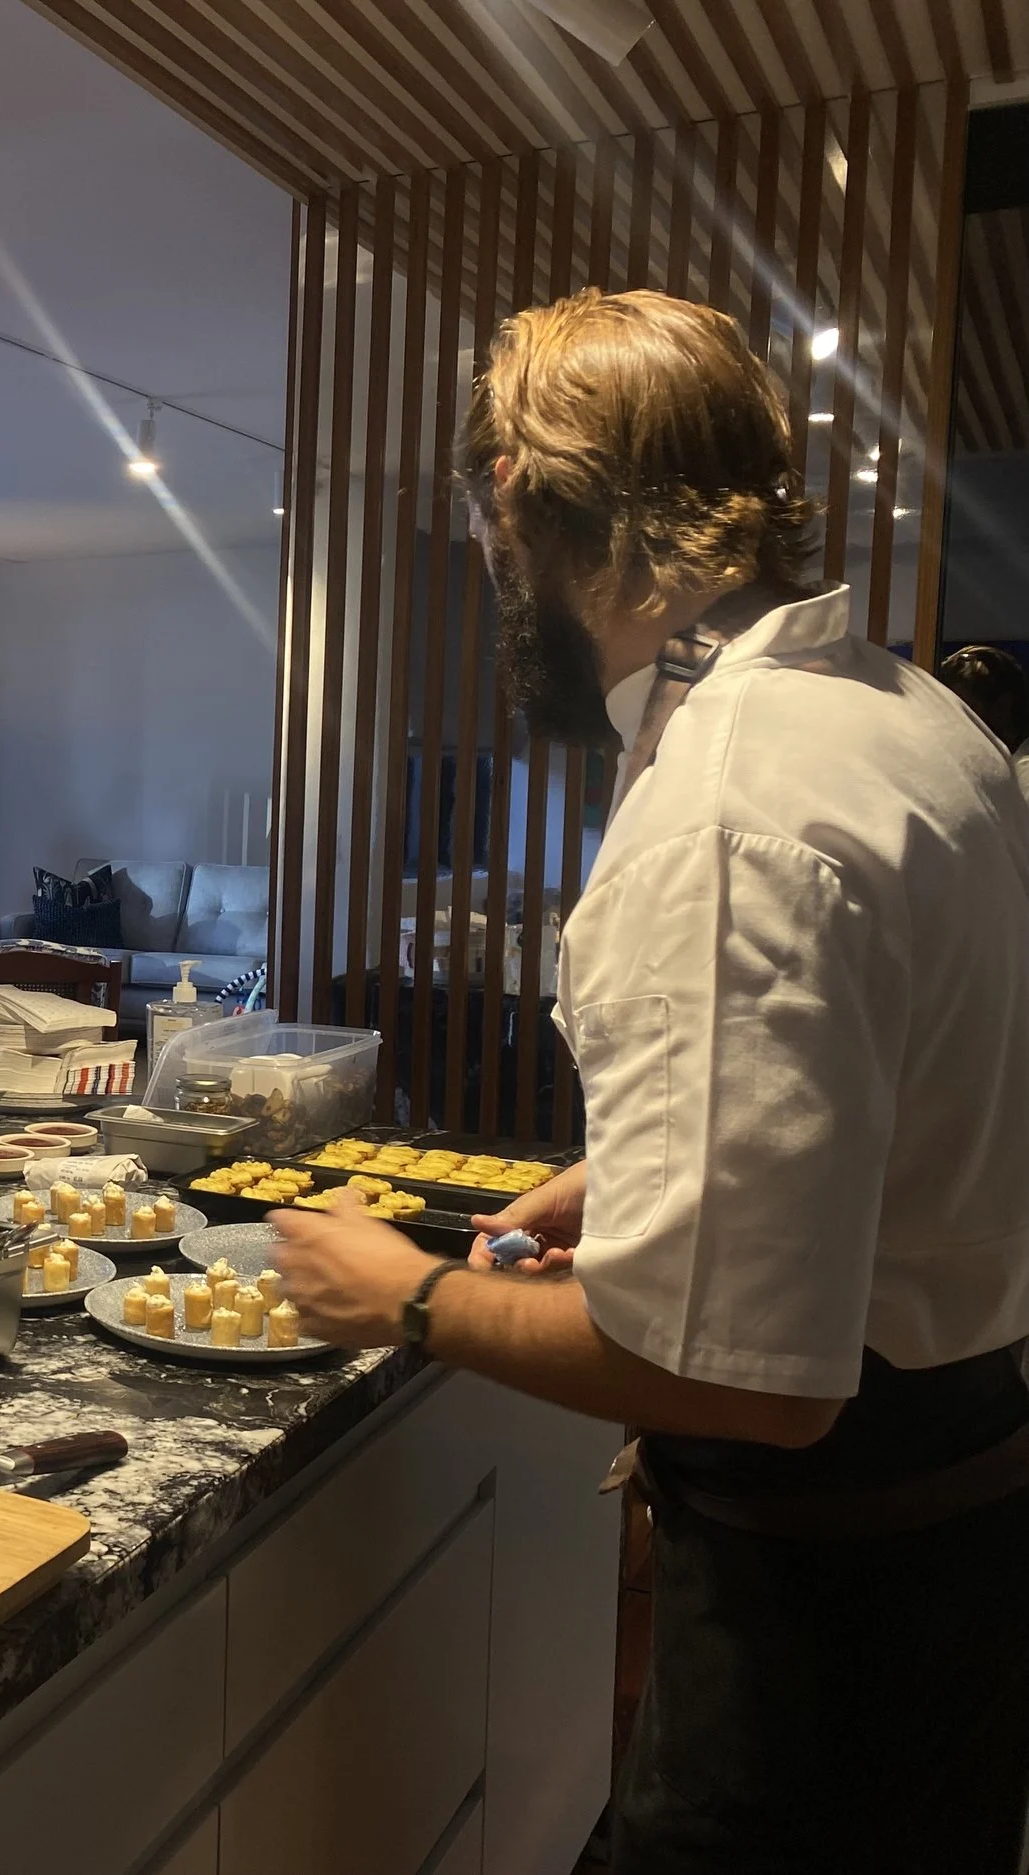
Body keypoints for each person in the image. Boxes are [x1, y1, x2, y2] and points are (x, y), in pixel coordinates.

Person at [270, 289, 1029, 1873]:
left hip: (821, 1612)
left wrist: (402, 1293)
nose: (495, 584)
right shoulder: (917, 724)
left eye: (491, 540)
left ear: (538, 513)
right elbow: (900, 1087)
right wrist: (644, 1175)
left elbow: (760, 1379)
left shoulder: (727, 808)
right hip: (963, 1541)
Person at [936, 643, 1029, 802]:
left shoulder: (1023, 779)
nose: (954, 725)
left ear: (1002, 706)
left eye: (967, 712)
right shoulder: (995, 768)